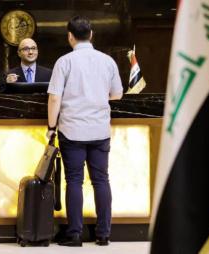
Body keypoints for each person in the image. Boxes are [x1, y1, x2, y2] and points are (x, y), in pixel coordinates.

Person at [46, 16, 123, 247]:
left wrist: (51, 127)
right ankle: (103, 234)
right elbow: (117, 94)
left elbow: (54, 98)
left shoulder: (64, 62)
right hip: (100, 130)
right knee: (101, 180)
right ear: (92, 35)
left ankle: (75, 234)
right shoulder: (107, 61)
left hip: (72, 130)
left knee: (74, 181)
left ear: (70, 36)